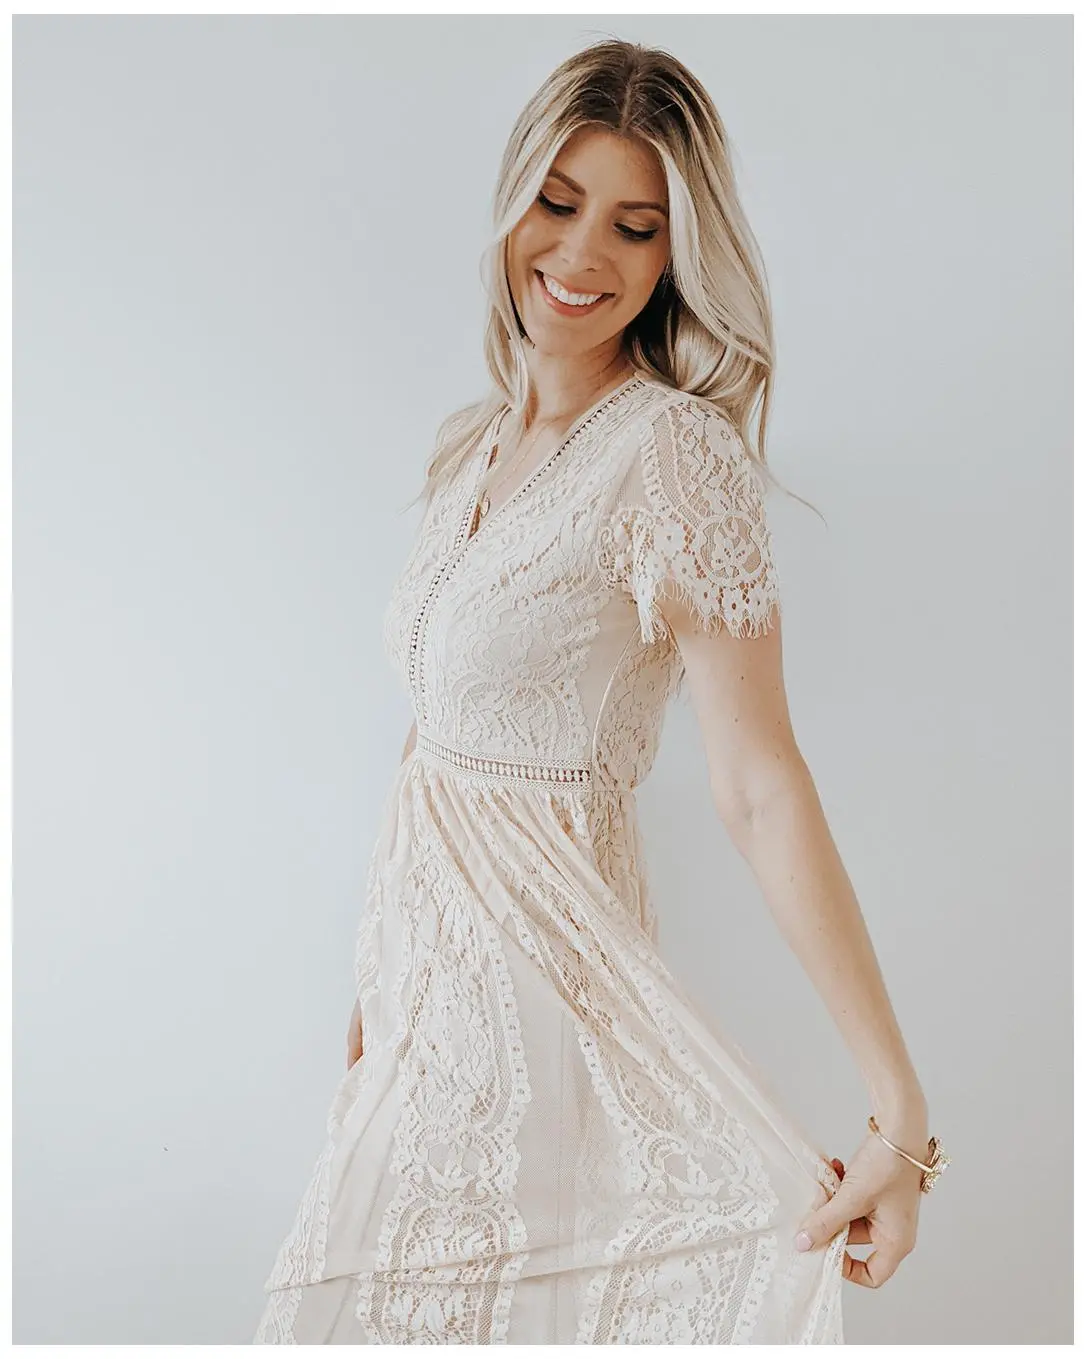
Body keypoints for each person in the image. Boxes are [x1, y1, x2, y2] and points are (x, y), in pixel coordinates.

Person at [252, 37, 947, 1345]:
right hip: (420, 1008)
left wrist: (898, 1113)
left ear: (677, 255)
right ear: (511, 200)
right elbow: (440, 731)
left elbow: (759, 785)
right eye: (558, 202)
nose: (580, 255)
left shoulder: (673, 457)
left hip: (540, 1010)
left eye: (634, 227)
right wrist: (382, 968)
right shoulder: (473, 441)